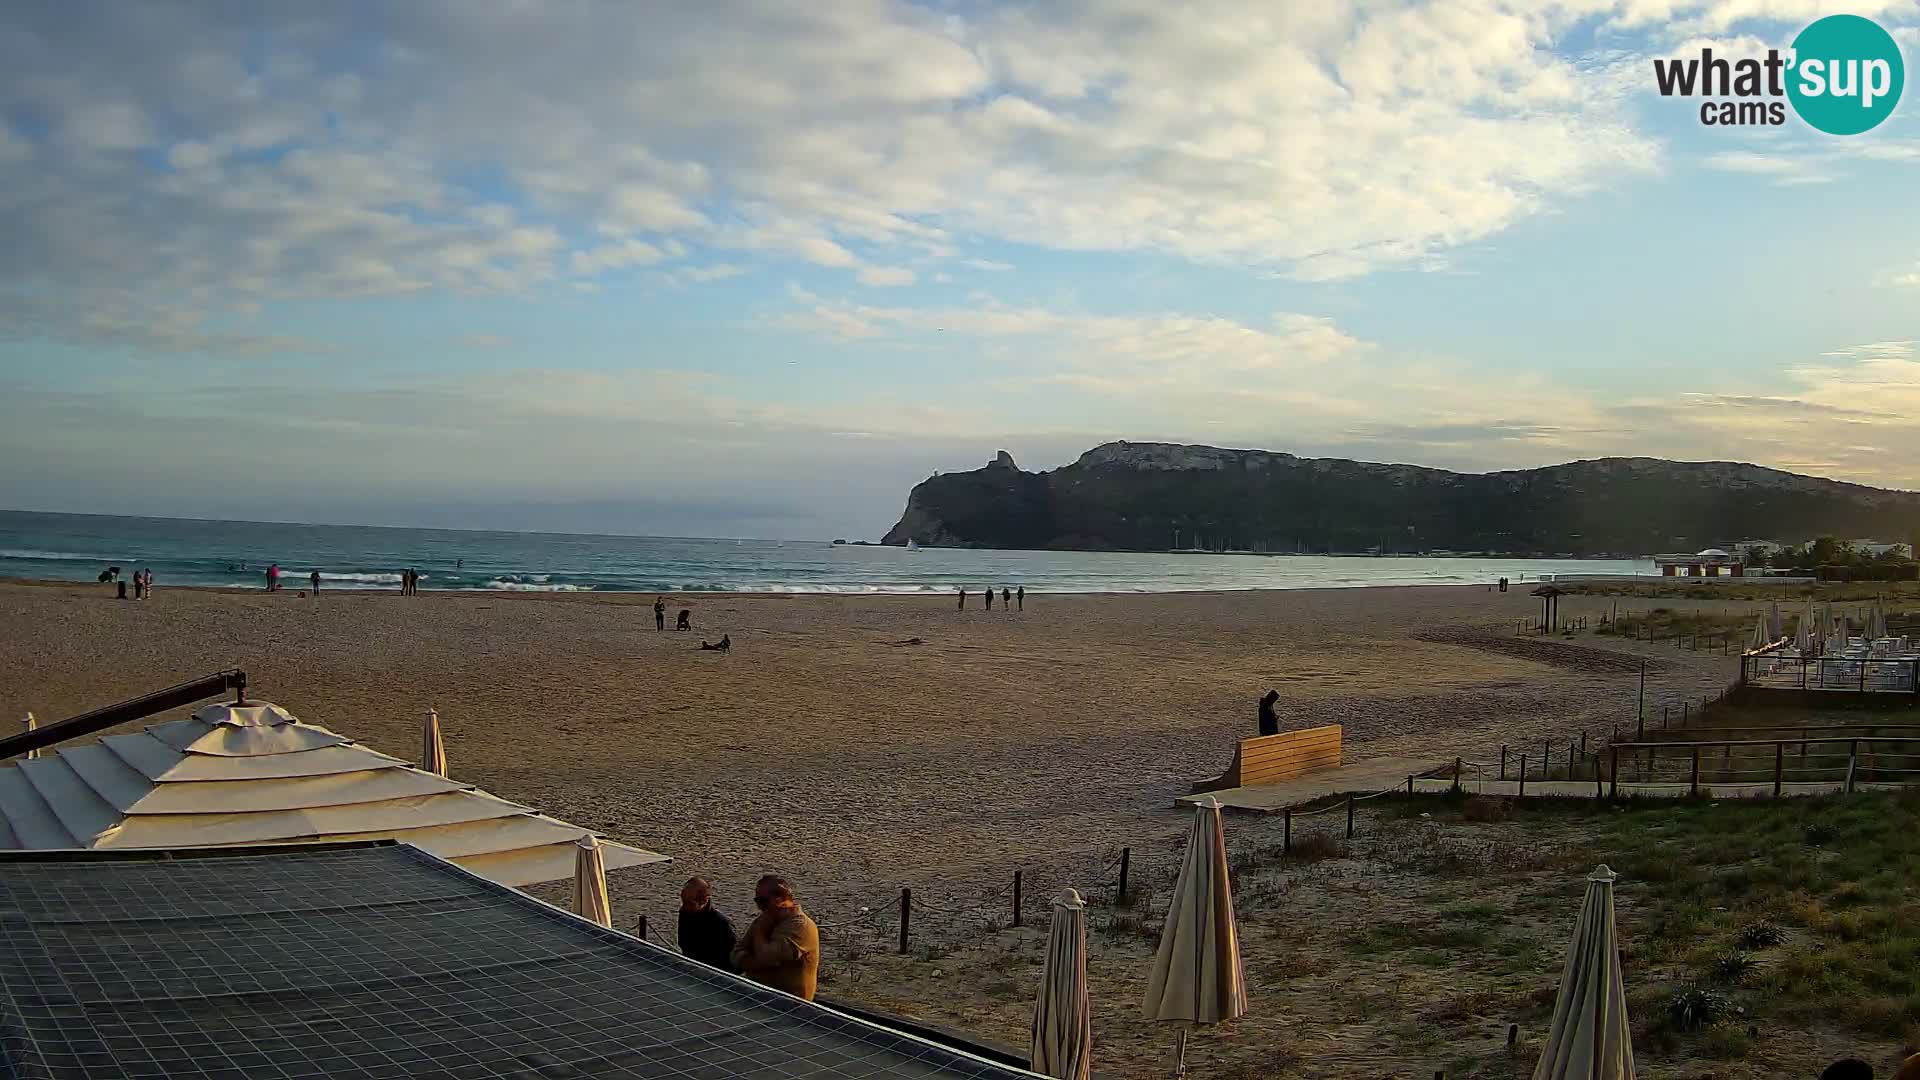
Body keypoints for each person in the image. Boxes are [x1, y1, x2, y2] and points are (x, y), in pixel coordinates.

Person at [731, 875, 820, 1001]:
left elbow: (767, 957)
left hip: (790, 1004)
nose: (759, 907)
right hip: (759, 994)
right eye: (757, 901)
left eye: (763, 901)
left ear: (781, 900)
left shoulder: (800, 927)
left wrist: (760, 932)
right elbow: (736, 952)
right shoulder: (764, 920)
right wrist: (751, 963)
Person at [678, 877, 737, 972]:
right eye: (684, 902)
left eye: (689, 903)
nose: (684, 907)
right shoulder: (686, 913)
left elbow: (733, 963)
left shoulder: (722, 924)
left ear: (703, 901)